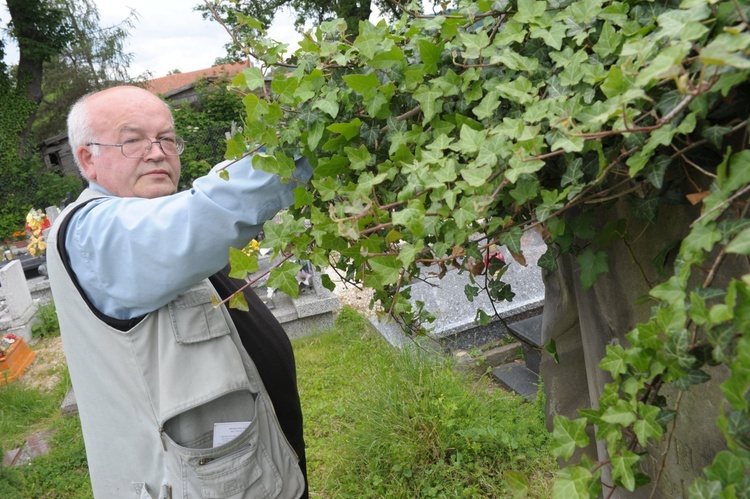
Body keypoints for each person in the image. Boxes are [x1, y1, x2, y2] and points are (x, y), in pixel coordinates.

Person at [46, 85, 312, 498]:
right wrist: (314, 135)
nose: (156, 152)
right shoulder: (91, 234)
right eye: (133, 140)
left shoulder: (147, 214)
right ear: (88, 159)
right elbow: (205, 217)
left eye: (167, 138)